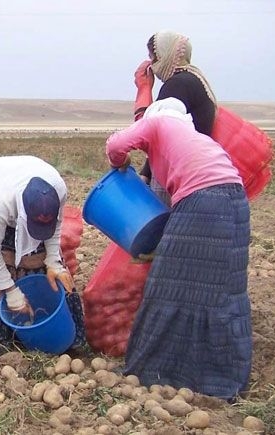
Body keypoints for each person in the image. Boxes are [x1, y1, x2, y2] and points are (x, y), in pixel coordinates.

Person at [106, 98, 251, 401]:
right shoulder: (194, 139)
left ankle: (159, 370)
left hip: (204, 203)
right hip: (235, 204)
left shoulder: (159, 122)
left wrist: (119, 164)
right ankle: (220, 375)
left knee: (169, 284)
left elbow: (116, 144)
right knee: (222, 290)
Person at [0, 155, 83, 354]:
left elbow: (55, 229)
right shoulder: (1, 202)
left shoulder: (59, 190)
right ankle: (4, 335)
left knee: (41, 256)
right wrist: (11, 292)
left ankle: (55, 328)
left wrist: (54, 261)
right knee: (2, 253)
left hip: (24, 176)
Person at [133, 31, 218, 204]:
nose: (152, 66)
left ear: (164, 56)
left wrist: (144, 88)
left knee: (160, 226)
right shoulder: (196, 80)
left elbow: (151, 132)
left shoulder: (178, 85)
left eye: (152, 58)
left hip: (176, 172)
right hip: (196, 169)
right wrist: (146, 172)